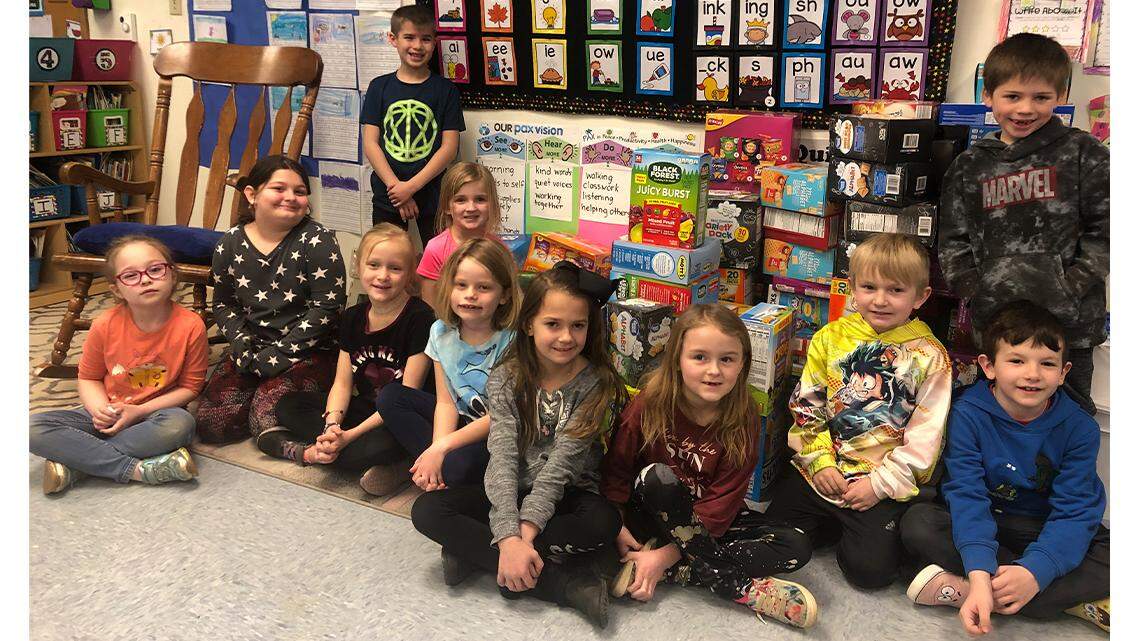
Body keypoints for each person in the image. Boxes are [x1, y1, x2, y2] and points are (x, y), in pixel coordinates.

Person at [411, 262, 629, 629]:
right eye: (553, 324)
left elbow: (562, 467)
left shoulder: (597, 384)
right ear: (529, 324)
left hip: (566, 495)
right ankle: (561, 584)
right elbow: (503, 457)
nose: (566, 337)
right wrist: (510, 536)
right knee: (427, 511)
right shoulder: (506, 377)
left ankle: (477, 554)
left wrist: (518, 537)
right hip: (511, 491)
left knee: (603, 523)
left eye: (578, 325)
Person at [600, 304, 818, 629]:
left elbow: (723, 503)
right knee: (656, 478)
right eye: (699, 357)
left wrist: (665, 556)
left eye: (727, 359)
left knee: (795, 545)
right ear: (676, 359)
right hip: (647, 515)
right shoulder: (650, 403)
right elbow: (616, 472)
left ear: (743, 364)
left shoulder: (744, 416)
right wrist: (617, 527)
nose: (714, 370)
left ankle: (659, 566)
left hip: (706, 522)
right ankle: (735, 585)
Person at [900, 301, 1109, 634]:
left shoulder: (1079, 428)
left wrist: (1035, 571)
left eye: (1047, 364)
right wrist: (982, 572)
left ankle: (977, 590)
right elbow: (966, 494)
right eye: (1016, 360)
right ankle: (1010, 592)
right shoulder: (968, 413)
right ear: (989, 366)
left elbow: (1075, 512)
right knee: (918, 523)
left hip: (1041, 525)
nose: (1032, 374)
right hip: (988, 519)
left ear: (1064, 373)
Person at [764, 233, 952, 589]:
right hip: (824, 471)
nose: (880, 300)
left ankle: (852, 530)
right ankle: (830, 524)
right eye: (869, 287)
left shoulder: (931, 357)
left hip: (879, 484)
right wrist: (819, 461)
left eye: (895, 290)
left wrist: (878, 486)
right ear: (852, 288)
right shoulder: (830, 338)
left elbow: (926, 438)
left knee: (870, 573)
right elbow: (807, 405)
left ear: (920, 296)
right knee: (773, 537)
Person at [938, 32, 1109, 415]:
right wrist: (976, 289)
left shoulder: (1085, 154)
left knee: (1070, 423)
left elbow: (1109, 233)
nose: (1025, 109)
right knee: (996, 420)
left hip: (1069, 329)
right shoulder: (970, 165)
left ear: (1062, 96)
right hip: (998, 329)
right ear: (989, 95)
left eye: (1041, 97)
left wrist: (1068, 287)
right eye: (1012, 96)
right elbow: (952, 240)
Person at [30, 236, 206, 493]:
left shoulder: (191, 325)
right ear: (116, 289)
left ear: (172, 275)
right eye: (131, 276)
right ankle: (135, 469)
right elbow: (88, 377)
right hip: (106, 410)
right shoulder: (105, 324)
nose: (146, 279)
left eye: (155, 270)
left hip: (154, 414)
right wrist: (101, 410)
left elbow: (191, 388)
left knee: (181, 425)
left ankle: (77, 465)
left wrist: (138, 411)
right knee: (31, 428)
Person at [259, 224, 435, 479]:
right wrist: (333, 426)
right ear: (359, 267)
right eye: (373, 265)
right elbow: (342, 383)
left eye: (395, 268)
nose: (383, 275)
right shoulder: (352, 317)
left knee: (380, 445)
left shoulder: (420, 319)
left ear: (409, 274)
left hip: (399, 417)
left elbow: (407, 396)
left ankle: (311, 452)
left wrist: (349, 435)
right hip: (365, 408)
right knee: (288, 405)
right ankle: (325, 451)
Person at [196, 155, 346, 446]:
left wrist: (279, 356)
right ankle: (258, 388)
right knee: (211, 425)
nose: (290, 197)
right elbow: (224, 304)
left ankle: (271, 400)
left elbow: (327, 308)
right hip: (253, 347)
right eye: (279, 188)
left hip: (309, 350)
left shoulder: (318, 239)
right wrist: (240, 343)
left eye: (300, 192)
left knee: (268, 417)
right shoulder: (229, 243)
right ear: (252, 194)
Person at [366, 238, 518, 496]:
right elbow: (446, 403)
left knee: (457, 466)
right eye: (461, 285)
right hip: (461, 420)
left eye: (483, 287)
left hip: (499, 433)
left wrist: (442, 448)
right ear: (449, 288)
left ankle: (429, 468)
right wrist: (437, 448)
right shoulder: (440, 332)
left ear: (503, 295)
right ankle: (427, 467)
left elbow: (502, 417)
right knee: (391, 396)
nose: (470, 294)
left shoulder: (512, 339)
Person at [361, 3, 464, 247]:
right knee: (388, 257)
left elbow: (449, 148)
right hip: (389, 195)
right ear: (393, 39)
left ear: (435, 42)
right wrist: (398, 189)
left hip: (433, 195)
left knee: (439, 261)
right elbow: (371, 143)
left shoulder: (446, 91)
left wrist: (411, 187)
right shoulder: (379, 88)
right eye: (409, 37)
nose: (417, 46)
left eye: (425, 39)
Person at [417, 162, 503, 313]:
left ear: (492, 204)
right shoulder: (435, 249)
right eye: (460, 200)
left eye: (480, 199)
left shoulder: (498, 249)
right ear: (446, 206)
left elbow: (505, 299)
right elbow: (430, 307)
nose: (471, 208)